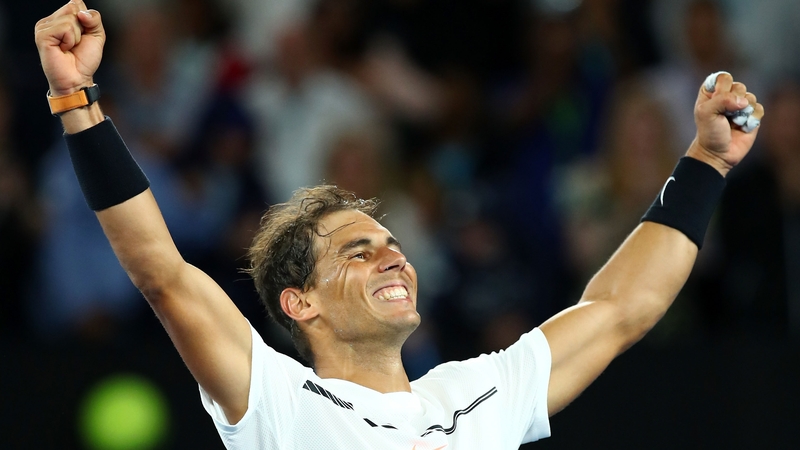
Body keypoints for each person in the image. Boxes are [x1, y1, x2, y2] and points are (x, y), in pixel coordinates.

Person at [34, 2, 764, 449]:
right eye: (359, 251)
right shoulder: (278, 406)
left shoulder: (475, 397)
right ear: (300, 303)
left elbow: (619, 309)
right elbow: (162, 272)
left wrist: (704, 161)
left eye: (391, 245)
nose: (394, 259)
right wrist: (76, 99)